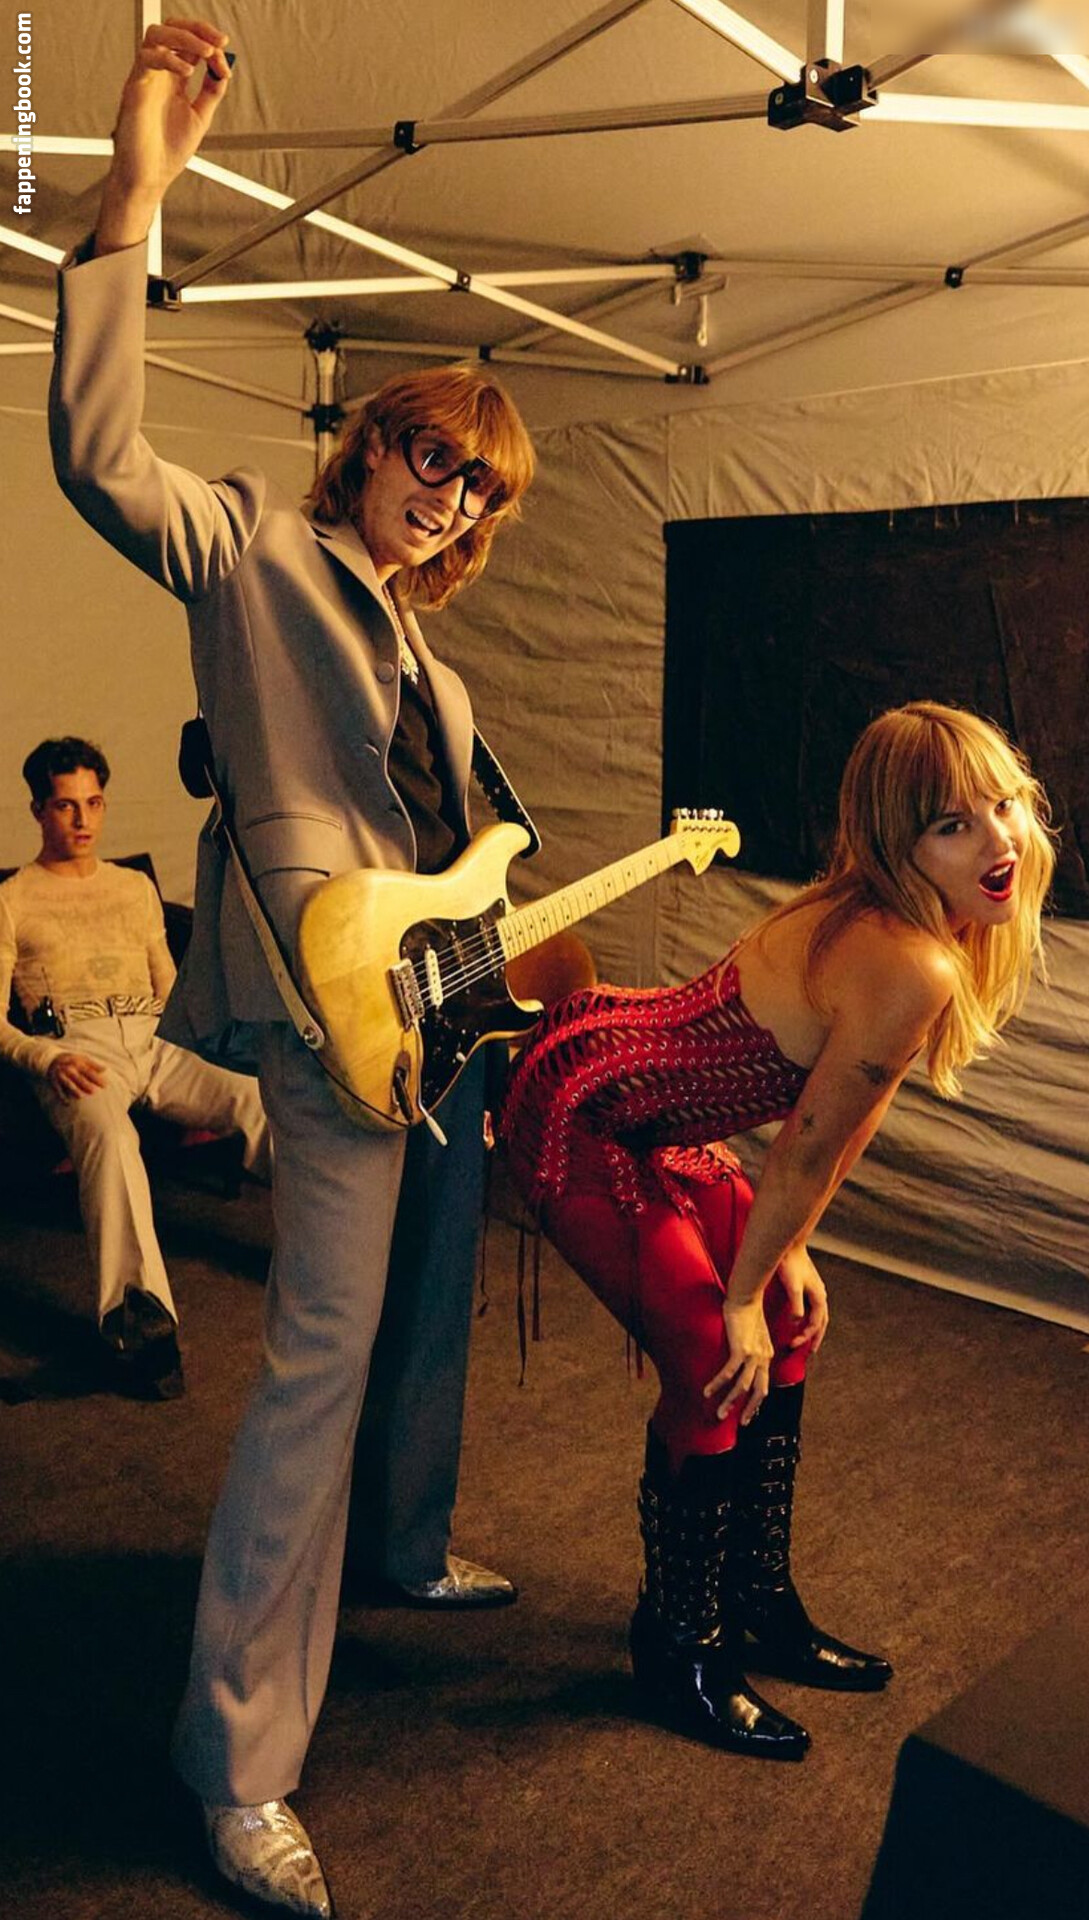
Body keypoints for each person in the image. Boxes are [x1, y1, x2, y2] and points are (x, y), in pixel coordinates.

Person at [49, 18, 535, 1916]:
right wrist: (135, 190)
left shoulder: (443, 672)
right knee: (312, 1384)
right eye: (434, 454)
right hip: (325, 1046)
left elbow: (459, 861)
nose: (450, 496)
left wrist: (512, 979)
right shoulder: (253, 550)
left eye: (480, 490)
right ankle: (238, 1764)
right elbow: (100, 456)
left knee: (404, 1345)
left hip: (432, 1042)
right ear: (372, 439)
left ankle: (390, 1567)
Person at [500, 700, 1055, 1761]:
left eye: (1003, 807)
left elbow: (841, 1124)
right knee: (716, 1363)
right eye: (952, 825)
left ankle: (754, 1601)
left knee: (789, 1328)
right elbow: (801, 1149)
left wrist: (785, 1257)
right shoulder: (905, 957)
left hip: (652, 1117)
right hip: (587, 1106)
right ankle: (679, 1646)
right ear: (896, 843)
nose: (999, 843)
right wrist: (742, 1293)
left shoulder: (911, 933)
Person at [0, 734, 269, 1398]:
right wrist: (46, 1057)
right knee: (112, 1138)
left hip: (157, 1035)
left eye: (93, 803)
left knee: (261, 1099)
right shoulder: (14, 898)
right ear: (38, 810)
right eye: (66, 806)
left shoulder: (132, 888)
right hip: (76, 1050)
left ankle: (326, 1260)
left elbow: (171, 984)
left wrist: (210, 1043)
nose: (83, 820)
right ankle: (140, 1328)